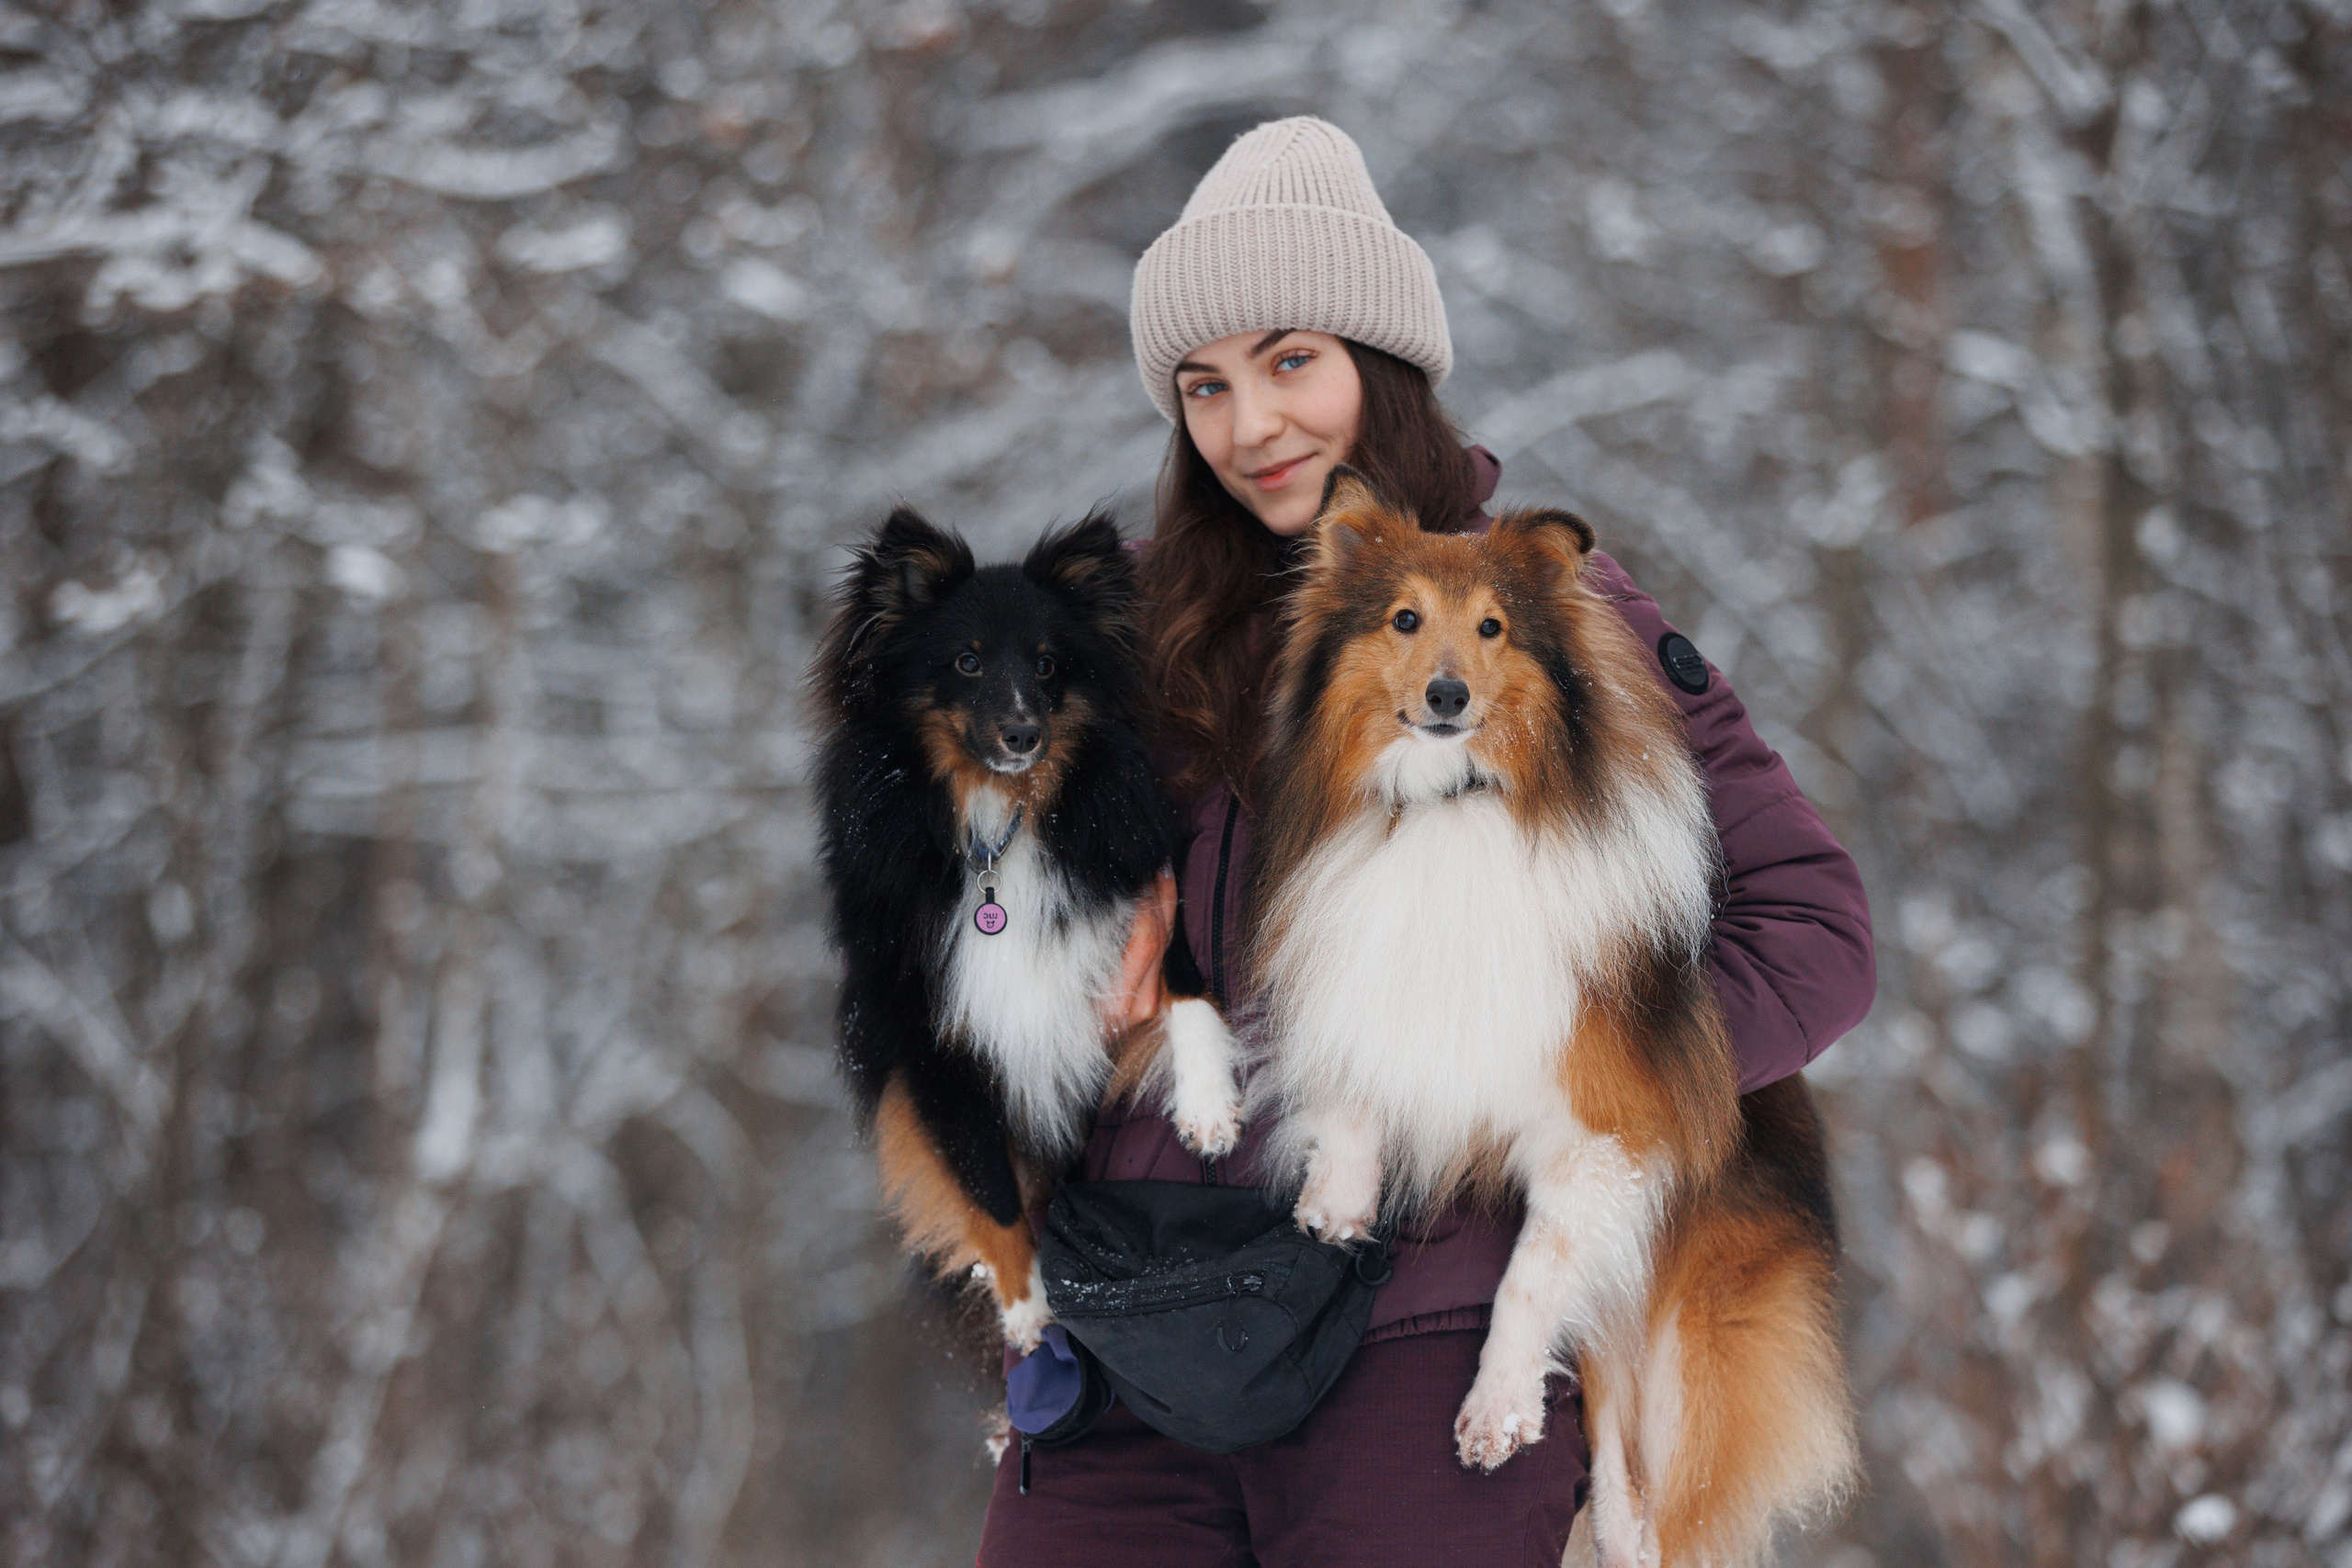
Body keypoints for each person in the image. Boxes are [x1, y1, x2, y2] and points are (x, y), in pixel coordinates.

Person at [977, 117, 1875, 1567]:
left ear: (1378, 368)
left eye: (1290, 362)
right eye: (1202, 386)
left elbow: (1817, 931)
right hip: (1137, 1317)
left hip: (1420, 1326)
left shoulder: (1547, 609)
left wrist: (1583, 1066)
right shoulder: (1118, 624)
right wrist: (1045, 971)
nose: (1248, 424)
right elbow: (961, 919)